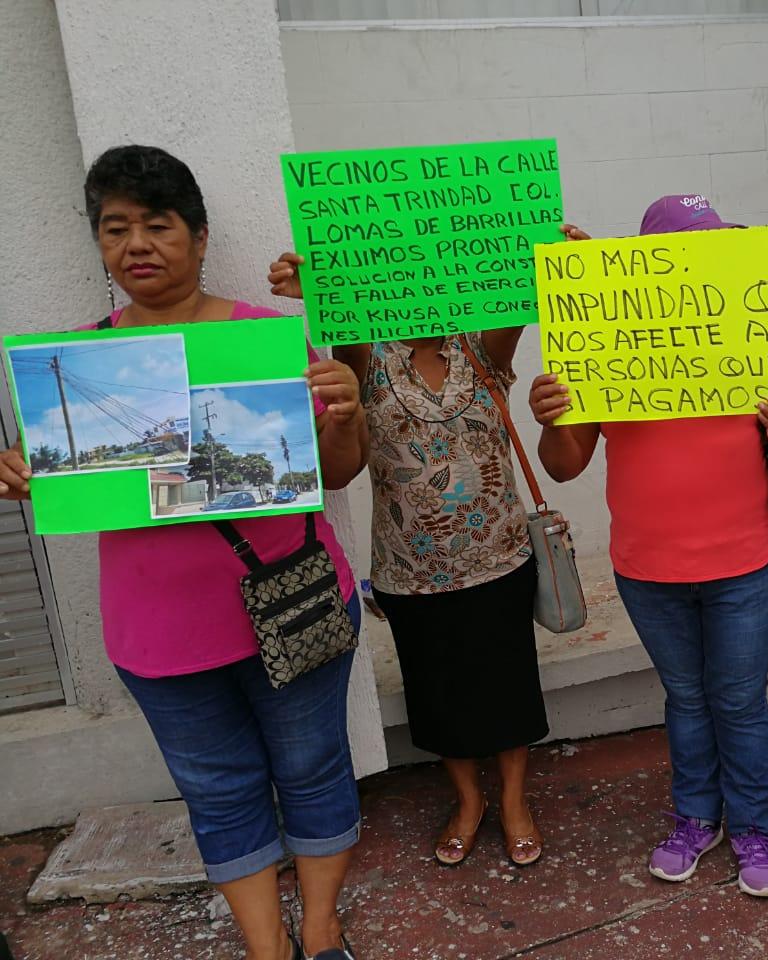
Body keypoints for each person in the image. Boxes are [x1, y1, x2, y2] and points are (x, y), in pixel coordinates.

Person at [0, 146, 367, 960]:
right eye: (116, 228)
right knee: (218, 790)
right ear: (99, 245)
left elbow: (334, 473)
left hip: (292, 600)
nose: (138, 244)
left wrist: (344, 415)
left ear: (200, 238)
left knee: (312, 767)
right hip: (159, 634)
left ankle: (323, 926)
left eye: (158, 225)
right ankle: (268, 948)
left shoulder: (270, 341)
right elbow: (72, 484)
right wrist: (26, 469)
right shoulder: (76, 366)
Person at [265, 231, 588, 868]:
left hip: (499, 556)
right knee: (438, 692)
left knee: (509, 685)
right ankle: (468, 801)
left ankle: (516, 801)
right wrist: (328, 295)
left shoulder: (478, 344)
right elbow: (343, 414)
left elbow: (516, 300)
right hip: (410, 569)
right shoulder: (366, 354)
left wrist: (552, 251)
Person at [528, 195, 768, 898]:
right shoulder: (605, 340)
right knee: (686, 699)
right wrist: (550, 418)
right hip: (647, 566)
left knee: (739, 701)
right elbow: (565, 464)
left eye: (711, 250)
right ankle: (696, 817)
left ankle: (753, 827)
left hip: (744, 561)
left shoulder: (755, 330)